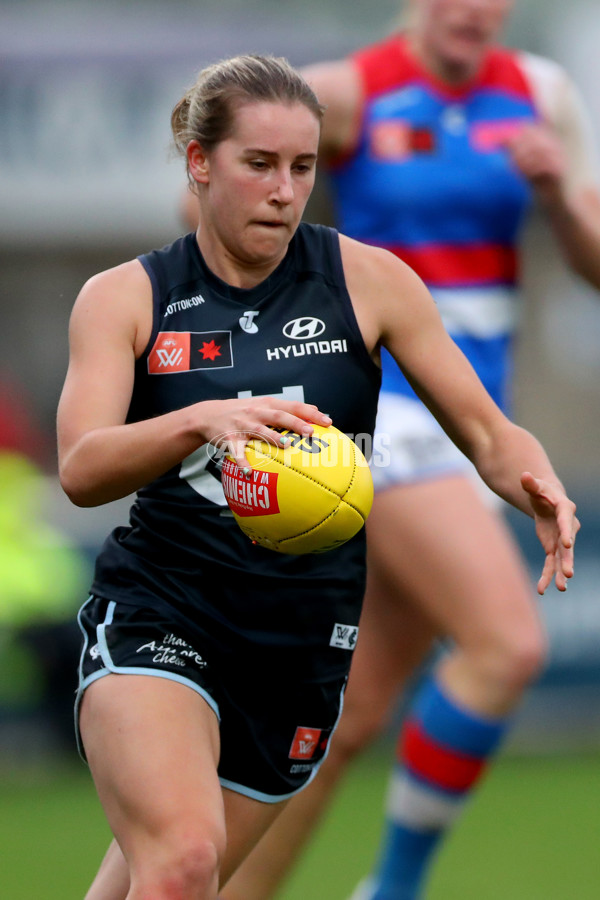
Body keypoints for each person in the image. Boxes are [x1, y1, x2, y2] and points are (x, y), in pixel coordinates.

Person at [57, 53, 578, 900]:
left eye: (302, 167)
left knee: (173, 881)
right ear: (200, 163)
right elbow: (81, 468)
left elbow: (484, 429)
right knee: (185, 862)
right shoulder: (126, 298)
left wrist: (535, 481)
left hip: (300, 641)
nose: (284, 190)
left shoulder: (369, 281)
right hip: (163, 606)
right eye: (258, 164)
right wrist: (202, 418)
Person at [215, 5, 600, 900]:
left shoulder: (538, 95)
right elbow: (227, 186)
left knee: (344, 719)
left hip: (471, 419)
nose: (475, 11)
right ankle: (391, 888)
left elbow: (593, 261)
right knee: (506, 647)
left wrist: (552, 195)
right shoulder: (348, 93)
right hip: (382, 412)